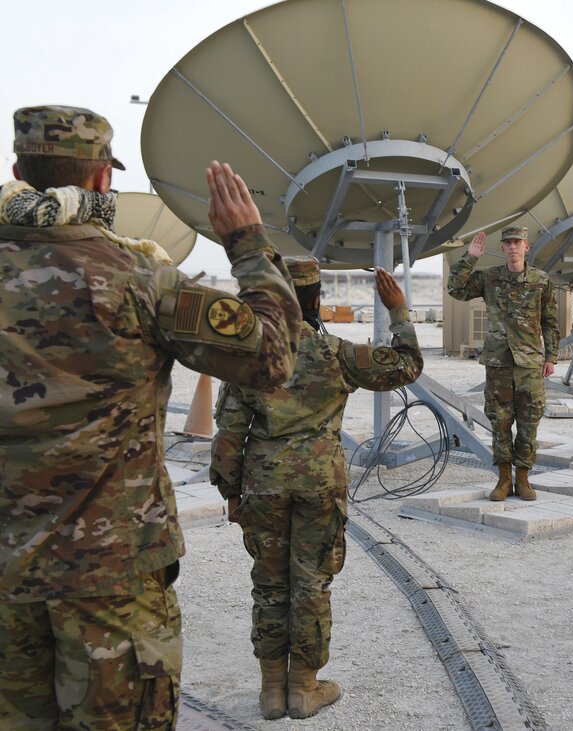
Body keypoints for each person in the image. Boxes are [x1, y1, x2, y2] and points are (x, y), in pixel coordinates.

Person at [0, 106, 302, 729]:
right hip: (110, 581)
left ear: (17, 173)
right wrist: (246, 243)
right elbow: (273, 357)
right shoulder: (141, 280)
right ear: (102, 182)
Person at [210, 257, 422, 720]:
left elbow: (229, 432)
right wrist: (398, 312)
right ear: (316, 301)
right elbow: (406, 366)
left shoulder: (250, 356)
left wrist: (230, 491)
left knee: (269, 583)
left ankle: (271, 690)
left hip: (262, 487)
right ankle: (304, 688)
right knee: (311, 583)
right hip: (320, 484)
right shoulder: (336, 354)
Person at [447, 227, 559, 501]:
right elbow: (456, 289)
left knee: (529, 421)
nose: (512, 247)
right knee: (500, 422)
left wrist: (551, 356)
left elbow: (550, 321)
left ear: (526, 247)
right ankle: (503, 479)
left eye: (517, 242)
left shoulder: (541, 280)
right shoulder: (490, 277)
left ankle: (523, 478)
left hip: (530, 363)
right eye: (507, 243)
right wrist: (470, 257)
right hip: (498, 362)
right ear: (503, 247)